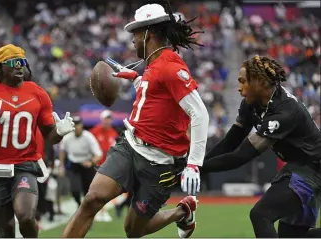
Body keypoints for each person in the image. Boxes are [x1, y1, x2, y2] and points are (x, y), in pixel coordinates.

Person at [62, 3, 209, 238]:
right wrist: (136, 79)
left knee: (133, 230)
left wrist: (194, 164)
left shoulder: (170, 66)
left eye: (135, 33)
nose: (132, 39)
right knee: (92, 199)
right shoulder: (154, 63)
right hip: (131, 146)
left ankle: (182, 212)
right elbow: (157, 97)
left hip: (160, 163)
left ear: (148, 33)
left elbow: (199, 113)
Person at [201, 55, 321, 238]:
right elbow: (230, 142)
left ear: (260, 81)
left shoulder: (284, 112)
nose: (239, 87)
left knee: (260, 215)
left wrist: (199, 168)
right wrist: (196, 163)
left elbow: (240, 156)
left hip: (311, 169)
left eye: (243, 81)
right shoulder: (252, 103)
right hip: (300, 166)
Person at [0, 44, 75, 238]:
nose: (19, 67)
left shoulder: (37, 92)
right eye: (13, 62)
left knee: (25, 217)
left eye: (22, 62)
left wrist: (59, 132)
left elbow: (49, 135)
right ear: (0, 67)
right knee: (5, 230)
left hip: (25, 165)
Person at [59, 116, 102, 208]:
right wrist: (61, 166)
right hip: (73, 164)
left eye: (78, 124)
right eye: (75, 125)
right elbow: (62, 150)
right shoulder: (67, 137)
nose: (77, 127)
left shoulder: (88, 137)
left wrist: (91, 162)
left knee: (88, 190)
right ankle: (78, 204)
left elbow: (98, 154)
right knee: (74, 189)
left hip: (87, 164)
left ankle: (86, 208)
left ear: (81, 125)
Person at [90, 109, 118, 222]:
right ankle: (96, 212)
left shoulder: (113, 133)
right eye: (106, 119)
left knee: (105, 191)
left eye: (109, 119)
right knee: (95, 190)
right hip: (95, 165)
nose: (108, 121)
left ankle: (103, 211)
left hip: (108, 166)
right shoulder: (95, 131)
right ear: (102, 119)